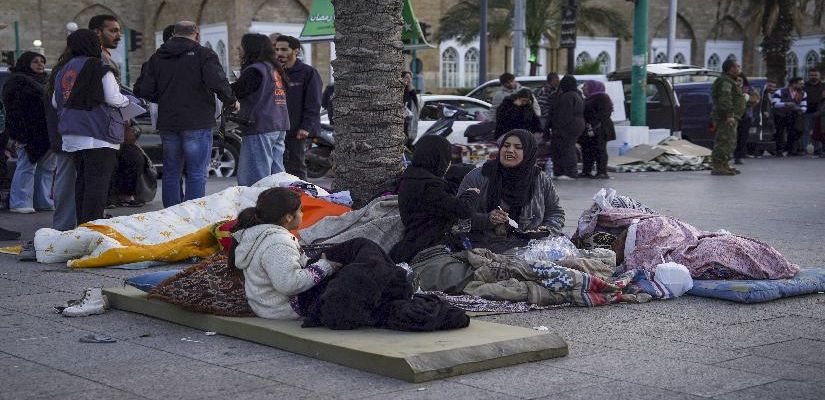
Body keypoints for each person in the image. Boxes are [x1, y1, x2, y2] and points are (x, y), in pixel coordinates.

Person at [134, 21, 238, 207]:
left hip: (168, 122)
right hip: (197, 121)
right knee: (196, 172)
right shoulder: (204, 54)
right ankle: (192, 214)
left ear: (174, 34)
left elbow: (143, 89)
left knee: (171, 171)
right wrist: (231, 102)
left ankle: (172, 213)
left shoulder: (157, 57)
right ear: (196, 34)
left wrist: (164, 97)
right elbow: (218, 82)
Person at [49, 29, 130, 224]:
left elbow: (55, 102)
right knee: (97, 185)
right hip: (98, 133)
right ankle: (92, 228)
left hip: (72, 134)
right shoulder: (99, 67)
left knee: (82, 183)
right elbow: (113, 97)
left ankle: (82, 226)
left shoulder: (63, 70)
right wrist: (128, 101)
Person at [231, 187, 342, 320]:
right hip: (283, 309)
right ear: (288, 217)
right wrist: (324, 267)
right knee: (350, 273)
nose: (302, 214)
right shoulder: (278, 243)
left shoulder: (258, 234)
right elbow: (289, 284)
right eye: (300, 210)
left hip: (265, 306)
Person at [458, 129, 565, 253]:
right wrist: (487, 219)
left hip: (529, 247)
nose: (509, 150)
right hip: (483, 247)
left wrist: (547, 230)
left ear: (528, 152)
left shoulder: (540, 179)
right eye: (506, 145)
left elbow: (555, 212)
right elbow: (458, 215)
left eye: (518, 147)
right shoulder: (479, 176)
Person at [389, 135, 481, 263]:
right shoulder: (429, 186)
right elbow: (463, 210)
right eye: (448, 159)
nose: (449, 164)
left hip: (417, 241)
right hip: (427, 248)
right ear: (439, 158)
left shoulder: (412, 177)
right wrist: (471, 193)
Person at [231, 33, 290, 186]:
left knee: (255, 178)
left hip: (260, 126)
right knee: (277, 174)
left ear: (251, 48)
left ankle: (259, 201)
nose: (238, 48)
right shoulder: (274, 69)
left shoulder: (255, 70)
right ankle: (280, 200)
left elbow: (238, 91)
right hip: (278, 124)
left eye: (242, 45)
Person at [1, 51, 55, 214]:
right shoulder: (17, 82)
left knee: (46, 168)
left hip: (46, 132)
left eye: (42, 61)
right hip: (28, 132)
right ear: (26, 63)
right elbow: (13, 110)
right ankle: (20, 202)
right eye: (35, 61)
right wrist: (18, 133)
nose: (40, 64)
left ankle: (43, 201)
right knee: (26, 167)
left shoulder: (46, 81)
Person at [274, 35, 322, 180]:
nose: (279, 53)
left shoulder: (308, 72)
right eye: (277, 49)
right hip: (278, 128)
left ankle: (302, 194)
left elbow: (314, 103)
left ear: (296, 51)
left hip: (297, 130)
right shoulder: (276, 73)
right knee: (279, 167)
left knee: (296, 167)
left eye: (284, 49)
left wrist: (305, 127)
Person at [710, 59, 746, 175]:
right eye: (737, 66)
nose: (739, 68)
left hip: (732, 117)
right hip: (725, 117)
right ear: (731, 69)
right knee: (724, 140)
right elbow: (725, 99)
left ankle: (724, 164)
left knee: (730, 141)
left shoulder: (731, 81)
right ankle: (718, 165)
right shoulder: (725, 81)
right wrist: (729, 115)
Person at [550, 75, 585, 180]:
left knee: (566, 148)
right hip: (577, 124)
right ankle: (568, 172)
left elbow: (564, 114)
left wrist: (558, 128)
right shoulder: (577, 95)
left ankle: (569, 172)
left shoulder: (567, 96)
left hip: (568, 126)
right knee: (569, 147)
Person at [580, 80, 615, 179]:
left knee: (600, 150)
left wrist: (592, 122)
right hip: (590, 129)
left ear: (592, 87)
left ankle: (602, 172)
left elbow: (604, 113)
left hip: (600, 129)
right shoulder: (588, 99)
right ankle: (586, 171)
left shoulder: (602, 97)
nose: (583, 88)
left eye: (585, 86)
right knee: (587, 150)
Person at [771, 77, 807, 157]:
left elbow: (804, 105)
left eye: (803, 84)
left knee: (793, 133)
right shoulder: (780, 91)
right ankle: (779, 151)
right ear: (794, 84)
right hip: (780, 115)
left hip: (794, 115)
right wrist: (785, 104)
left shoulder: (803, 93)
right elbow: (774, 103)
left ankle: (791, 150)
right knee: (780, 133)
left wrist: (801, 110)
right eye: (800, 84)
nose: (802, 85)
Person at [733, 74, 760, 165]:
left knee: (743, 137)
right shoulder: (732, 89)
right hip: (734, 115)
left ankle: (738, 156)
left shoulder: (749, 89)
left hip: (746, 115)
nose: (738, 82)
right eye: (736, 80)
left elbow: (755, 100)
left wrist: (746, 99)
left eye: (740, 80)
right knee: (733, 136)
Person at [88, 15, 121, 79]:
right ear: (97, 32)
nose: (119, 36)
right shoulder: (102, 59)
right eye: (113, 31)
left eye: (119, 31)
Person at [803, 68, 824, 155]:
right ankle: (805, 149)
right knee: (806, 130)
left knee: (818, 131)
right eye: (811, 75)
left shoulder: (823, 86)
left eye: (815, 75)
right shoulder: (804, 86)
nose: (813, 77)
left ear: (819, 76)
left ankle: (818, 149)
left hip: (820, 113)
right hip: (807, 111)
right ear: (808, 76)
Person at [402, 71, 420, 144]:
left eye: (410, 78)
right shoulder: (399, 90)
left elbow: (416, 103)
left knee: (407, 133)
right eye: (406, 77)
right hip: (400, 116)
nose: (409, 79)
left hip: (408, 117)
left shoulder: (411, 90)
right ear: (402, 78)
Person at [812, 87, 825, 158]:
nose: (823, 94)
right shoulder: (822, 101)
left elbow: (822, 111)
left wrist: (815, 114)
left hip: (822, 120)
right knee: (821, 137)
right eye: (823, 92)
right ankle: (821, 151)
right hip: (820, 121)